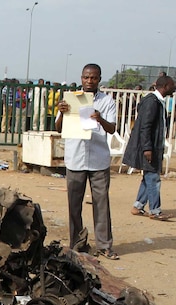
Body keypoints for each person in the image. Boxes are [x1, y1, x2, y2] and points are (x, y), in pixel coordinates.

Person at [55, 64, 119, 260]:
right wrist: (62, 112)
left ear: (99, 79)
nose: (89, 81)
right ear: (81, 78)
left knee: (101, 203)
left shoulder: (107, 101)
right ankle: (77, 243)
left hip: (98, 160)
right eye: (86, 77)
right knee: (74, 204)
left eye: (93, 78)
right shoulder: (71, 99)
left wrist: (100, 119)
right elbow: (58, 128)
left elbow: (112, 129)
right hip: (75, 159)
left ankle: (104, 245)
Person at [124, 74, 176, 221]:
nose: (175, 87)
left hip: (153, 146)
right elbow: (145, 127)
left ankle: (138, 206)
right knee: (153, 178)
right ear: (165, 86)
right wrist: (147, 148)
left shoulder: (156, 101)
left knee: (148, 177)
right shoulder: (152, 102)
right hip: (149, 147)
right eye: (173, 85)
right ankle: (155, 210)